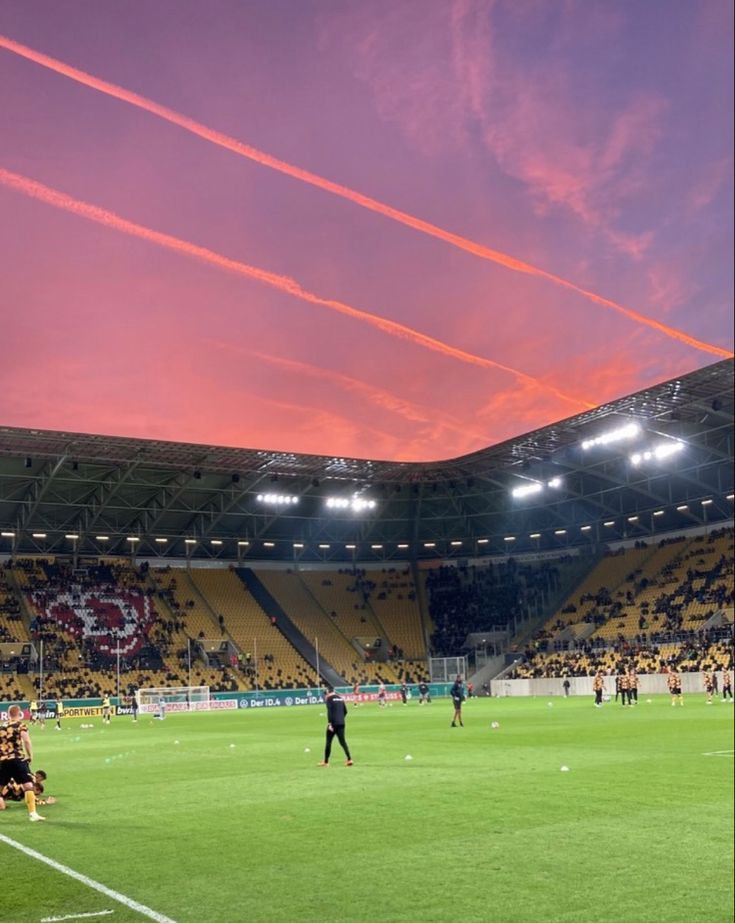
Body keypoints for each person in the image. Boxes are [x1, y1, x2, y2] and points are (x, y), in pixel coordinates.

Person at [0, 704, 45, 820]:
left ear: (8, 714)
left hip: (2, 760)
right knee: (28, 785)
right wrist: (30, 755)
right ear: (19, 713)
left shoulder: (2, 726)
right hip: (17, 759)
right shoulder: (20, 725)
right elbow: (26, 740)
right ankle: (33, 814)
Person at [319, 689, 353, 767]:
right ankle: (349, 759)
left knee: (328, 742)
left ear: (328, 692)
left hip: (333, 724)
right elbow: (345, 711)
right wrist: (341, 718)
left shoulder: (329, 699)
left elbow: (329, 711)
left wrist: (330, 723)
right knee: (343, 742)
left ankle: (326, 762)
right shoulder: (340, 698)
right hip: (341, 723)